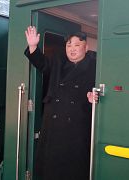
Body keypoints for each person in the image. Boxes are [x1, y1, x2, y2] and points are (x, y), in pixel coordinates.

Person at [24, 26, 96, 180]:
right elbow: (41, 63)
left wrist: (94, 99)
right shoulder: (58, 62)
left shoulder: (95, 66)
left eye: (77, 45)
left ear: (86, 47)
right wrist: (33, 46)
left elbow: (103, 92)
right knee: (51, 167)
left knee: (73, 169)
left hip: (77, 127)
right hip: (53, 125)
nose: (72, 49)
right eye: (69, 45)